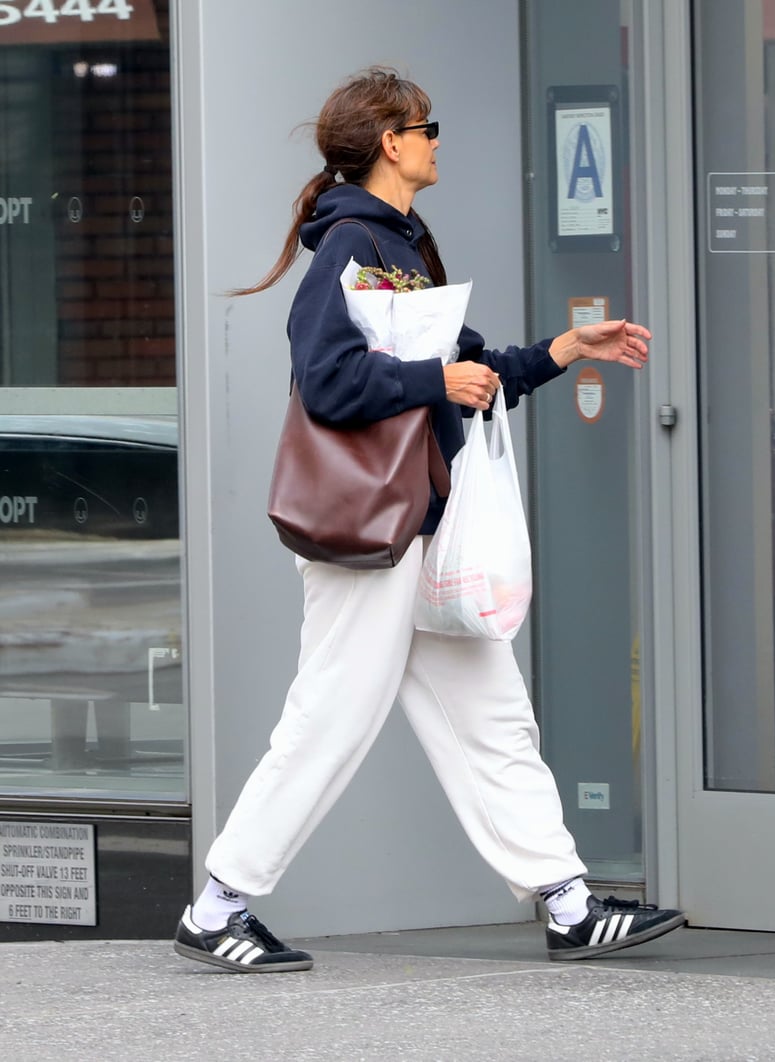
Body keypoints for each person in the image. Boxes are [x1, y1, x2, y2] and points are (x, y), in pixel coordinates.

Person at [173, 67, 685, 974]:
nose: (439, 140)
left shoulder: (398, 244)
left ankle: (567, 904)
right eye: (427, 126)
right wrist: (432, 381)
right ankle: (219, 905)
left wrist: (567, 349)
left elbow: (471, 366)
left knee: (494, 719)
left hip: (414, 527)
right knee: (330, 721)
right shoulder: (350, 245)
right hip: (370, 536)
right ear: (390, 144)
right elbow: (326, 379)